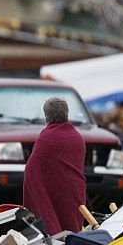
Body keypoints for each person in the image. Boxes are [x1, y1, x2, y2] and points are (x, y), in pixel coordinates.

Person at [22, 97, 86, 235]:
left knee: (54, 229)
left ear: (47, 116)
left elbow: (31, 169)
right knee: (72, 231)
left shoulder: (46, 137)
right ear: (66, 113)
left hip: (52, 192)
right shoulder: (77, 137)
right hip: (73, 192)